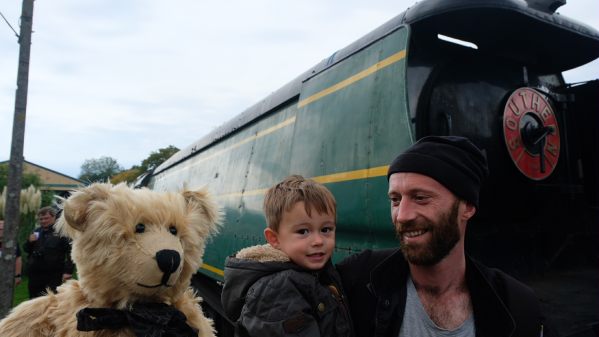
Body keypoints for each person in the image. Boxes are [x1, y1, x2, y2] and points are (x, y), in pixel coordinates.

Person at [337, 136, 548, 337]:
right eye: (395, 200)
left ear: (466, 207)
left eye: (420, 198)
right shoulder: (357, 279)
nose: (402, 216)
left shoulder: (518, 307)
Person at [221, 175, 354, 337]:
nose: (318, 241)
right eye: (303, 231)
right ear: (274, 239)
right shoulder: (276, 293)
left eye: (326, 229)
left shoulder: (310, 272)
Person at [23, 206, 74, 298]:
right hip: (35, 273)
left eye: (46, 218)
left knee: (51, 300)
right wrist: (29, 242)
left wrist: (68, 271)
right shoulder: (36, 231)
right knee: (34, 299)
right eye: (41, 219)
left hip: (53, 274)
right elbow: (26, 249)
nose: (43, 221)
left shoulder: (61, 232)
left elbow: (71, 252)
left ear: (54, 217)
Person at [0, 219, 22, 286]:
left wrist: (17, 275)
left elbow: (18, 258)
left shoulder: (12, 242)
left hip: (7, 277)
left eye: (2, 228)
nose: (1, 230)